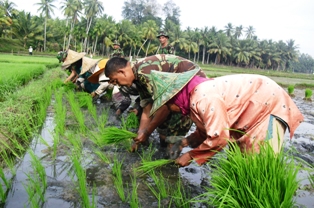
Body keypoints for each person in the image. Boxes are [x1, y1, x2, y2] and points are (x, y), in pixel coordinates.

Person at [146, 69, 304, 167]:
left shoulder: (203, 97)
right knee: (240, 162)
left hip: (268, 106)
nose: (170, 110)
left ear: (175, 98)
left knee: (260, 164)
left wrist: (190, 155)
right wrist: (185, 142)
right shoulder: (193, 101)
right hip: (248, 116)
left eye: (167, 105)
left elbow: (220, 137)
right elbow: (206, 132)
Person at [104, 54, 207, 150]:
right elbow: (147, 107)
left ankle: (170, 164)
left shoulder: (145, 73)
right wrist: (140, 133)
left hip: (192, 89)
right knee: (162, 129)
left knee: (173, 138)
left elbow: (164, 106)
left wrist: (147, 132)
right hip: (174, 93)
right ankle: (163, 151)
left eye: (116, 80)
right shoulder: (137, 76)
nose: (118, 84)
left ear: (121, 72)